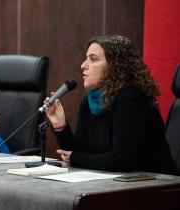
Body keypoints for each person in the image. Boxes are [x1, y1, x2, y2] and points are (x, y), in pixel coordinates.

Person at [45, 35, 178, 175]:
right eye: (86, 58)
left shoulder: (129, 99)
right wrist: (60, 126)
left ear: (115, 66)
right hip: (115, 183)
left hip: (154, 185)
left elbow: (122, 160)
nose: (83, 65)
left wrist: (75, 158)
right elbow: (77, 153)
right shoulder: (89, 100)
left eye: (93, 59)